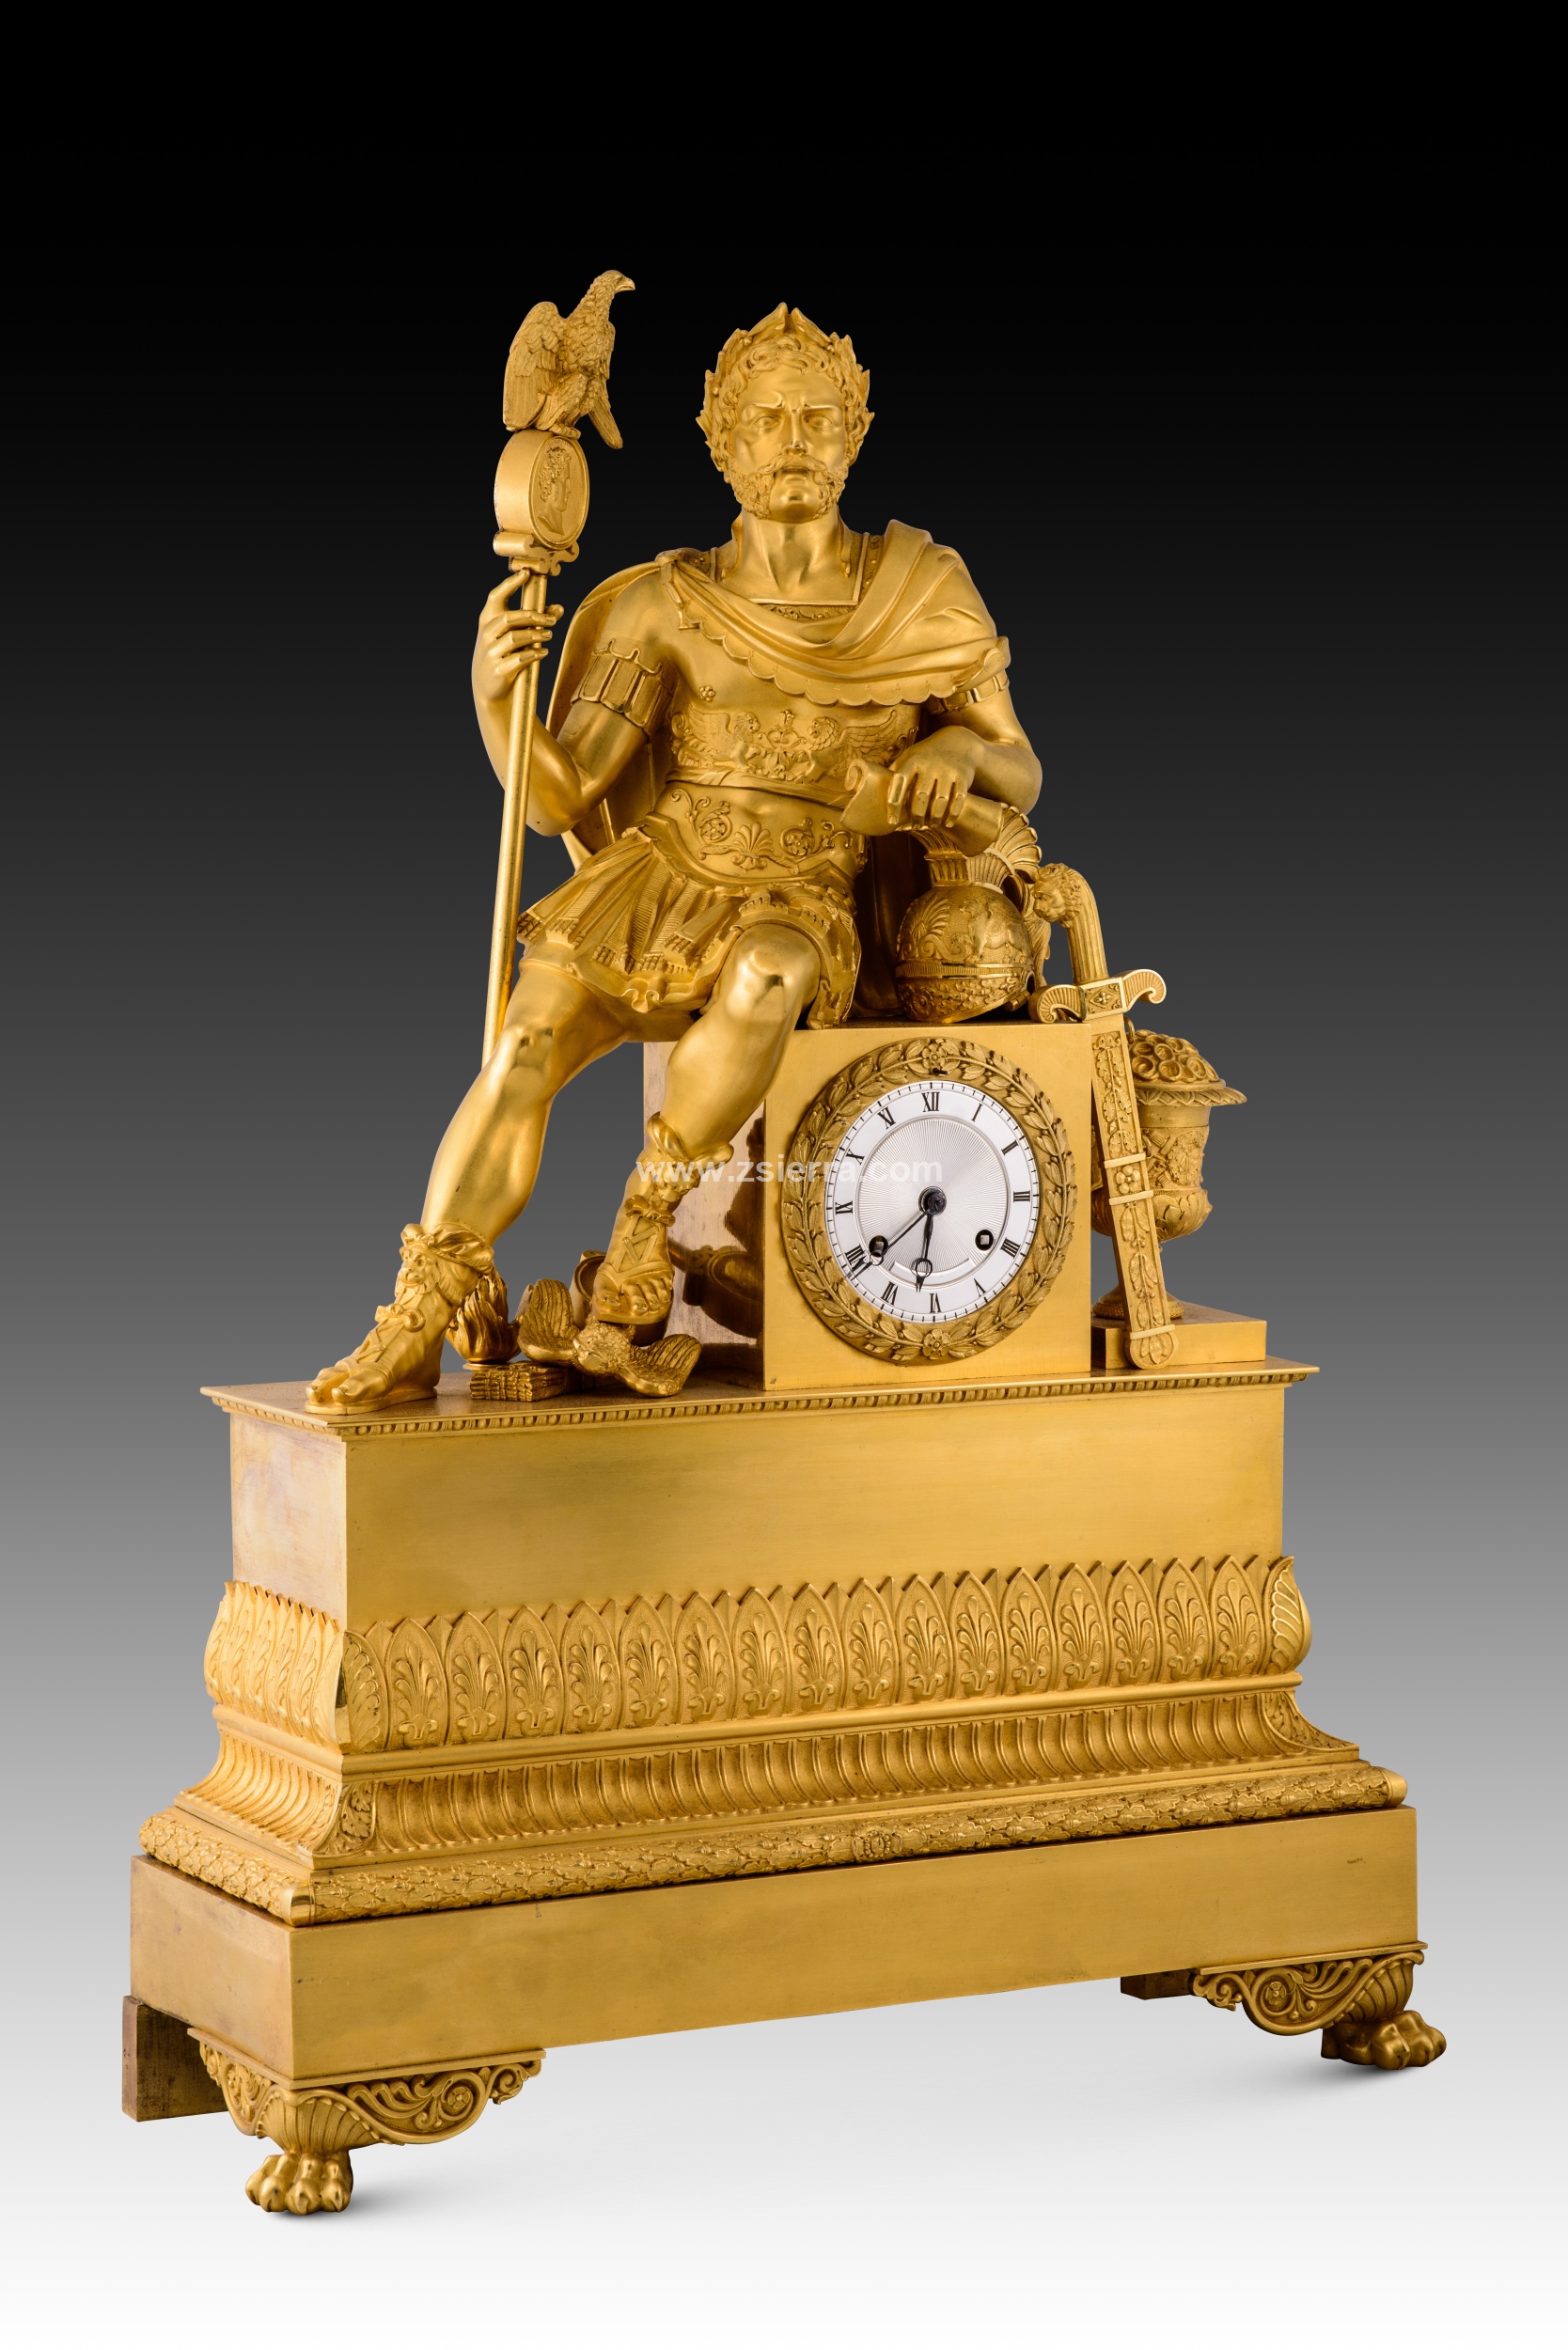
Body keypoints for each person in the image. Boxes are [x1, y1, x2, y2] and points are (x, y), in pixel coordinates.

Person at [308, 306, 1042, 1410]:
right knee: (524, 1041)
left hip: (806, 883)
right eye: (765, 422)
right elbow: (560, 795)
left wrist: (956, 747)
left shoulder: (923, 589)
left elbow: (1019, 767)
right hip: (658, 871)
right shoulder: (666, 605)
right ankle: (420, 1309)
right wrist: (495, 698)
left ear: (854, 433)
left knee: (769, 974)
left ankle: (645, 1221)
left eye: (815, 420)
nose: (791, 442)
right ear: (723, 442)